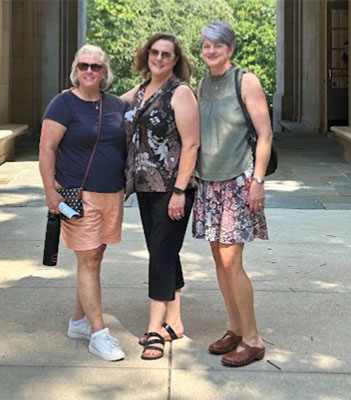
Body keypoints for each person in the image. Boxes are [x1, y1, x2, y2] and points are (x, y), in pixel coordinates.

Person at [39, 44, 127, 362]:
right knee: (88, 259)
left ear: (105, 73)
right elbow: (47, 148)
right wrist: (51, 192)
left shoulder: (116, 105)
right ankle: (98, 334)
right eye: (84, 66)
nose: (89, 71)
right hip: (78, 195)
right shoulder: (63, 104)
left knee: (95, 257)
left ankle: (78, 322)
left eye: (96, 67)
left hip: (112, 194)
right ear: (76, 69)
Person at [192, 21, 273, 367]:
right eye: (206, 46)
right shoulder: (202, 83)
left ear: (230, 49)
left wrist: (257, 181)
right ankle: (235, 329)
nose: (211, 51)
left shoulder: (246, 80)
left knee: (231, 262)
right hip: (207, 182)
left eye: (218, 46)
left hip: (237, 182)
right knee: (218, 259)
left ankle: (253, 339)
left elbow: (265, 134)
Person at [121, 33, 200, 360]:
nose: (159, 58)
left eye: (166, 54)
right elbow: (111, 103)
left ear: (175, 59)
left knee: (160, 255)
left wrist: (180, 191)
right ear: (146, 55)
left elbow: (191, 144)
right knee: (163, 251)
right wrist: (76, 94)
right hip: (145, 187)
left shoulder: (180, 93)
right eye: (154, 52)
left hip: (172, 188)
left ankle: (155, 329)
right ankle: (175, 321)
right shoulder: (141, 91)